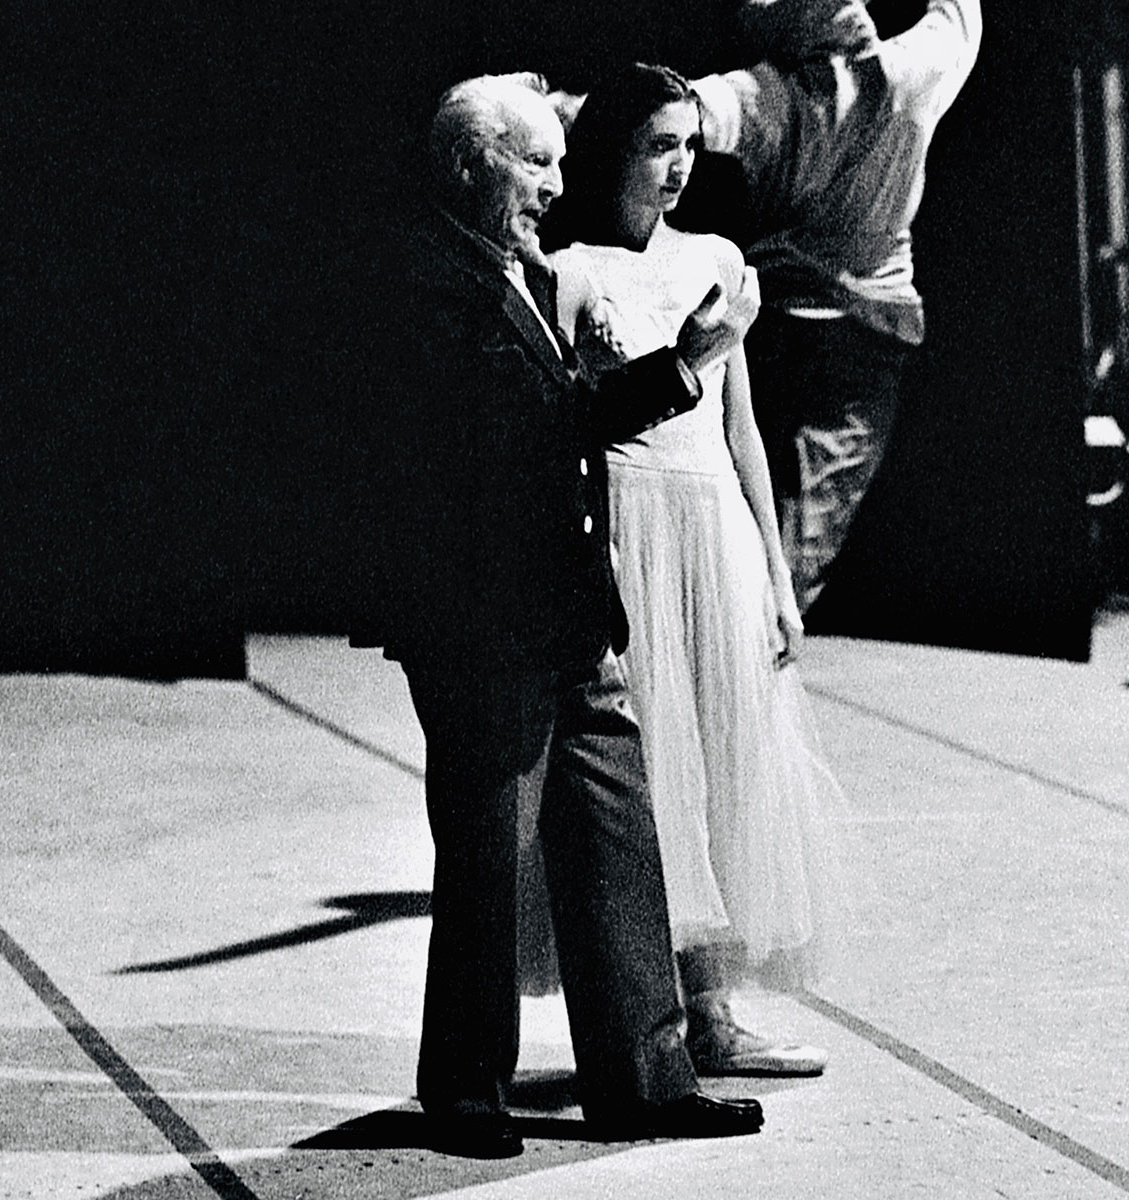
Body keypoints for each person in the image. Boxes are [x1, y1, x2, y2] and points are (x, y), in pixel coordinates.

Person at [347, 71, 766, 1159]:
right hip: (483, 621)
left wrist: (683, 365)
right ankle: (468, 1093)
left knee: (617, 834)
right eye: (536, 163)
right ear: (471, 167)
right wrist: (672, 370)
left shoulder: (505, 270)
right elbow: (494, 446)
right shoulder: (424, 280)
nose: (556, 184)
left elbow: (561, 414)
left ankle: (648, 1077)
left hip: (565, 607)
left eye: (559, 161)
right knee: (489, 854)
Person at [547, 62, 851, 1078]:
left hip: (713, 527)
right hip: (632, 529)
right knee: (649, 769)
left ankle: (721, 1011)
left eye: (687, 144)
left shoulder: (720, 259)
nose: (678, 167)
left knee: (727, 754)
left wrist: (775, 571)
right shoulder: (575, 270)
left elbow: (744, 430)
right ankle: (655, 1017)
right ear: (614, 152)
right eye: (656, 145)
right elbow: (564, 427)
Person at [690, 0, 983, 609]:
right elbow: (960, 19)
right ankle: (765, 646)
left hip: (776, 324)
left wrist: (552, 109)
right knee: (805, 532)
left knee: (756, 510)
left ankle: (745, 644)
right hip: (862, 332)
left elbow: (668, 108)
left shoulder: (765, 95)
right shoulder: (908, 74)